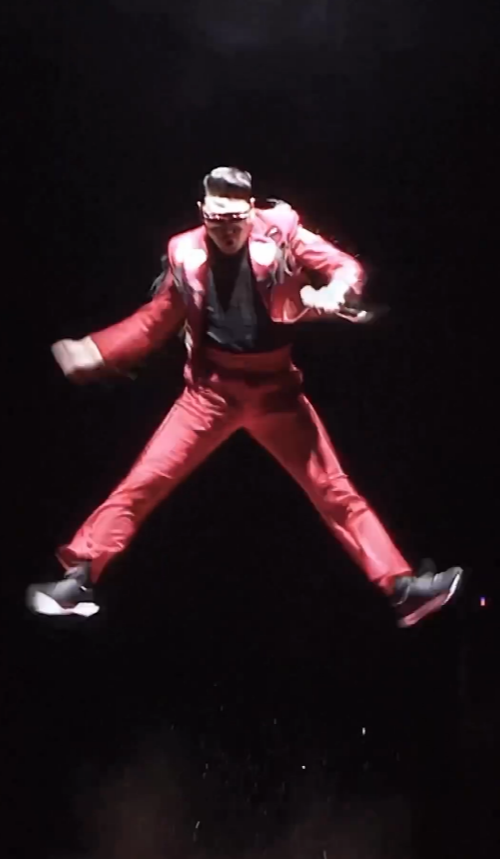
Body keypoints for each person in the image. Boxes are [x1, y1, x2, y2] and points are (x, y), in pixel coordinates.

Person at [26, 166, 463, 627]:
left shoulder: (282, 230)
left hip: (276, 392)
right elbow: (158, 318)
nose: (227, 231)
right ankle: (79, 578)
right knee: (143, 482)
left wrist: (336, 291)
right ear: (203, 212)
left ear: (251, 210)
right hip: (209, 394)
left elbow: (343, 267)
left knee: (335, 491)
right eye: (217, 220)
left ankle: (402, 589)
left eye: (236, 220)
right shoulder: (183, 251)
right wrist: (98, 349)